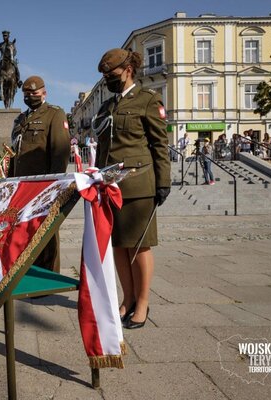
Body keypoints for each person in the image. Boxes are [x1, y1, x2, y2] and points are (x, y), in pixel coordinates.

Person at [94, 48, 171, 329]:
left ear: (128, 70)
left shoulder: (148, 100)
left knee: (138, 247)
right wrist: (97, 179)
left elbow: (159, 145)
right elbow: (103, 148)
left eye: (112, 75)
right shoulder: (107, 107)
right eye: (105, 77)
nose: (108, 81)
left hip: (139, 185)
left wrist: (163, 182)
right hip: (110, 187)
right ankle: (127, 298)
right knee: (118, 247)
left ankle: (142, 303)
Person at [8, 75, 70, 273]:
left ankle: (49, 273)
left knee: (46, 230)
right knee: (25, 229)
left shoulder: (55, 114)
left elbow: (60, 151)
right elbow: (15, 154)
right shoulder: (20, 119)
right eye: (26, 93)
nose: (30, 96)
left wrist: (54, 184)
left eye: (34, 92)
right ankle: (29, 269)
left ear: (44, 93)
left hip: (44, 183)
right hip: (22, 185)